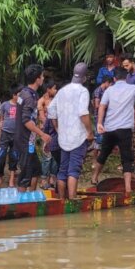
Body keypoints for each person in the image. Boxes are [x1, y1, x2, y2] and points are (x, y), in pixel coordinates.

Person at [92, 66, 135, 194]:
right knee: (126, 158)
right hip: (125, 129)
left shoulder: (109, 90)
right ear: (126, 77)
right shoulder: (132, 88)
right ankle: (128, 188)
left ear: (114, 78)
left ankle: (94, 177)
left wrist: (100, 123)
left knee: (103, 154)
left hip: (110, 127)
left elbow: (102, 106)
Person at [48, 63, 94, 199]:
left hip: (64, 138)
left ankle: (62, 201)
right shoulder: (83, 91)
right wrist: (90, 132)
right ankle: (72, 200)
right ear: (84, 78)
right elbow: (83, 113)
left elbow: (51, 109)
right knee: (74, 170)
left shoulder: (62, 90)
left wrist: (58, 128)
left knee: (63, 170)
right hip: (78, 137)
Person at [14, 64, 51, 192]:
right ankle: (22, 201)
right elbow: (26, 121)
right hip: (25, 141)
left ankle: (31, 196)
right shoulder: (29, 96)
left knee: (35, 170)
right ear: (37, 79)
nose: (43, 79)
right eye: (42, 76)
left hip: (27, 140)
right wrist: (42, 134)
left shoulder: (24, 93)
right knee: (25, 175)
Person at [0, 86, 21, 187]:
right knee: (1, 155)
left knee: (14, 156)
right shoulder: (5, 105)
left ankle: (11, 179)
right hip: (5, 133)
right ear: (14, 95)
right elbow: (1, 119)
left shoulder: (22, 105)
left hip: (17, 134)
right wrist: (0, 130)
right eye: (19, 95)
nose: (21, 97)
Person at [37, 81, 59, 188]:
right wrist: (51, 124)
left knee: (55, 155)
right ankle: (43, 179)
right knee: (47, 156)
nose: (56, 90)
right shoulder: (41, 101)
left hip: (56, 131)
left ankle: (52, 178)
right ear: (48, 89)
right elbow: (42, 117)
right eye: (54, 88)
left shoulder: (56, 100)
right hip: (46, 132)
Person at [92, 72, 113, 152]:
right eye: (110, 84)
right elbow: (97, 105)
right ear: (106, 82)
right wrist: (107, 105)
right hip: (98, 116)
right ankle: (96, 154)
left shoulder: (105, 91)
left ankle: (100, 153)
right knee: (99, 135)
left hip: (104, 116)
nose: (110, 86)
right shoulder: (98, 91)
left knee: (103, 134)